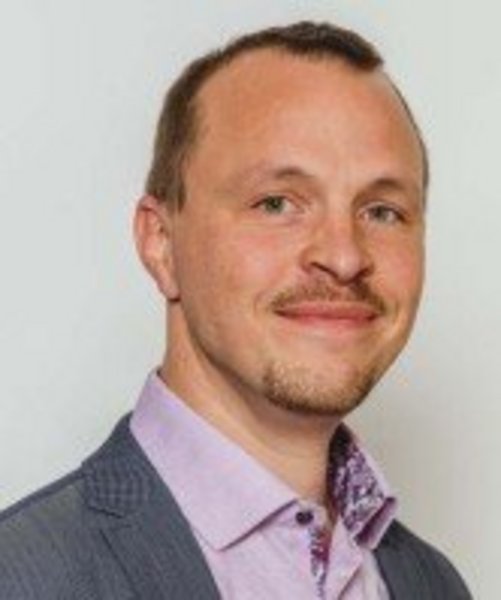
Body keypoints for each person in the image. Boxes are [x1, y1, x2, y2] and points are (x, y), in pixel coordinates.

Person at [0, 21, 471, 599]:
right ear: (161, 244)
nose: (344, 257)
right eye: (276, 203)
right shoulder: (20, 577)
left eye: (382, 211)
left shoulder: (435, 584)